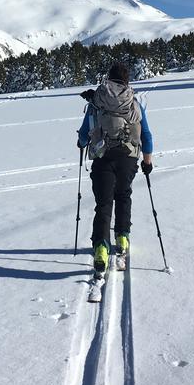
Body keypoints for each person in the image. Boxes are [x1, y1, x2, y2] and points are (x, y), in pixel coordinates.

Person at [76, 61, 154, 275]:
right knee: (123, 195)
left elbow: (84, 134)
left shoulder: (97, 101)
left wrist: (82, 143)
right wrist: (147, 161)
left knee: (103, 203)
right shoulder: (134, 103)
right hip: (128, 157)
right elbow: (146, 135)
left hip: (102, 157)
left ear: (108, 79)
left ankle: (101, 248)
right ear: (127, 81)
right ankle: (122, 238)